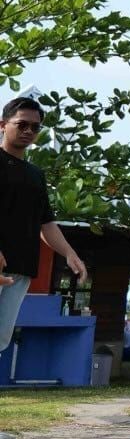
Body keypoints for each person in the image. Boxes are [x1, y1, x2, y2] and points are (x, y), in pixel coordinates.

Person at [0, 96, 88, 354]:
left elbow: (45, 223)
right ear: (3, 125)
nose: (28, 131)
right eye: (22, 124)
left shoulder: (35, 175)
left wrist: (70, 253)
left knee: (1, 340)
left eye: (35, 127)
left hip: (20, 270)